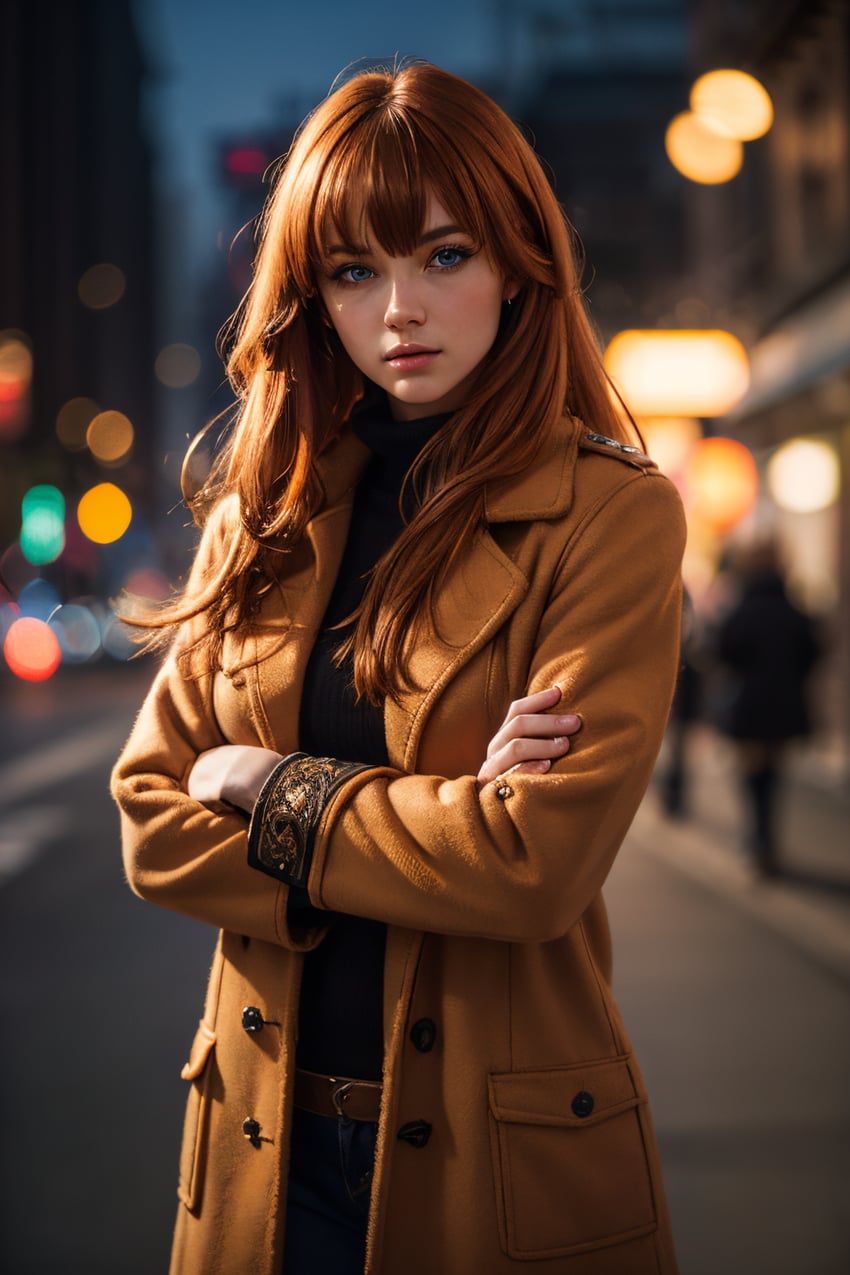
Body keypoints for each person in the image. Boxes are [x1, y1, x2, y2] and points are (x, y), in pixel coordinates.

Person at [111, 60, 686, 1275]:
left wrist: (268, 788)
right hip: (261, 1146)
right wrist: (446, 821)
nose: (398, 312)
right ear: (311, 296)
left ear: (518, 261)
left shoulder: (607, 513)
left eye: (444, 255)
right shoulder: (259, 520)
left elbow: (531, 867)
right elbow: (151, 823)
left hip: (499, 1151)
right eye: (352, 271)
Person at [714, 541, 820, 878]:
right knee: (774, 778)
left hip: (750, 705)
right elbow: (812, 654)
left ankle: (758, 842)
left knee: (752, 776)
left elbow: (724, 650)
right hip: (785, 706)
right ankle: (766, 842)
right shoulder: (793, 609)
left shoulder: (744, 609)